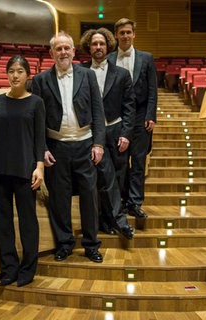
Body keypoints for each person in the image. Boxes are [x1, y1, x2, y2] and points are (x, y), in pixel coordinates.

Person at [31, 31, 106, 263]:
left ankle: (91, 245)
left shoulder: (88, 75)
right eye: (58, 48)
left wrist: (99, 143)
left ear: (73, 51)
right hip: (56, 147)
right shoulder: (41, 80)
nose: (63, 52)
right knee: (59, 198)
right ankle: (64, 243)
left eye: (67, 48)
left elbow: (98, 111)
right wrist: (42, 149)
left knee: (89, 198)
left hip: (85, 144)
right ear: (51, 53)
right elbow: (37, 120)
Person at [0, 55, 45, 287]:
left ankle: (28, 268)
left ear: (27, 75)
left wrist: (39, 167)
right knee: (3, 222)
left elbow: (40, 139)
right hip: (0, 171)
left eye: (20, 71)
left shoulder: (36, 103)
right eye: (11, 70)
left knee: (27, 221)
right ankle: (9, 268)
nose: (15, 75)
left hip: (25, 170)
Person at [79, 28, 136, 239]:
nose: (98, 47)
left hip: (116, 131)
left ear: (108, 45)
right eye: (94, 44)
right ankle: (111, 221)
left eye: (102, 44)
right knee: (101, 179)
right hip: (94, 133)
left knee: (118, 179)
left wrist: (126, 134)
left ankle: (109, 221)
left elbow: (130, 107)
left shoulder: (121, 74)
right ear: (89, 47)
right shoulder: (81, 72)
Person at [108, 18, 158, 221]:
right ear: (116, 35)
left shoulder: (146, 58)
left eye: (129, 32)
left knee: (138, 161)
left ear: (134, 34)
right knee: (119, 162)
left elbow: (153, 89)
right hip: (117, 117)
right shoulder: (109, 59)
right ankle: (118, 201)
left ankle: (135, 203)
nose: (126, 36)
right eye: (122, 33)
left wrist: (150, 115)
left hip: (140, 116)